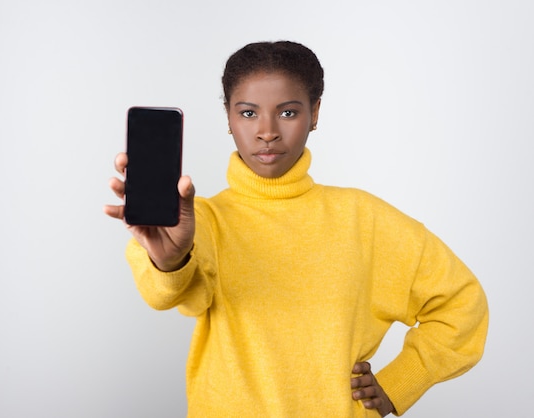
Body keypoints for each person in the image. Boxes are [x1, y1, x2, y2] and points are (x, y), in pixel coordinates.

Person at [104, 41, 488, 417]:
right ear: (228, 118)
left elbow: (462, 303)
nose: (267, 131)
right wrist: (170, 262)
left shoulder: (365, 219)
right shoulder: (203, 220)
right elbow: (165, 294)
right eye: (249, 113)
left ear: (315, 113)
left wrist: (399, 382)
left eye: (287, 113)